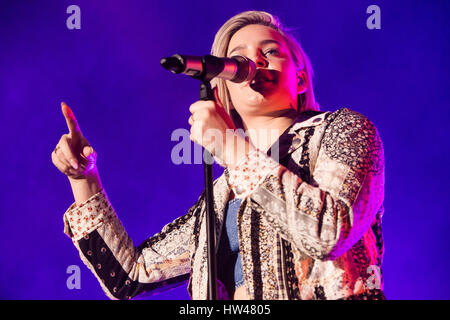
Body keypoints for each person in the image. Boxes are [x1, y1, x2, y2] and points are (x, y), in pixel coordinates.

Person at [52, 11, 385, 300]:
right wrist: (84, 180)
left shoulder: (344, 129)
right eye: (239, 57)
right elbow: (130, 276)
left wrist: (229, 146)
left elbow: (329, 232)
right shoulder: (222, 194)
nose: (254, 62)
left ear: (299, 79)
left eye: (270, 51)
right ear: (225, 85)